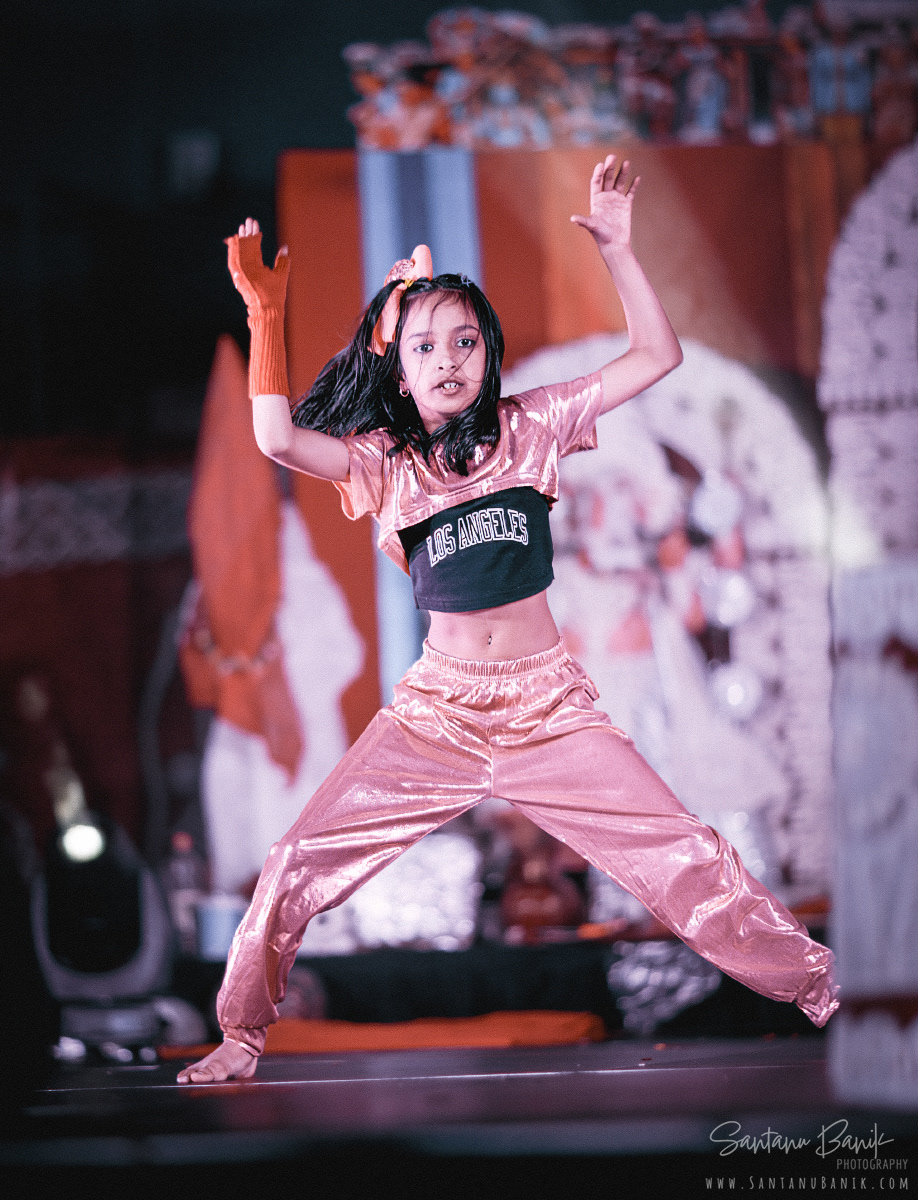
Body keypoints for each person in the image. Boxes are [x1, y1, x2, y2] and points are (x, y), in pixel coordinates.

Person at [178, 156, 838, 1083]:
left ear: (488, 354)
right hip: (438, 715)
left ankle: (832, 994)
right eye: (424, 347)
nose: (447, 360)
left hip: (548, 709)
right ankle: (241, 1035)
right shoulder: (387, 464)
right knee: (296, 860)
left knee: (688, 856)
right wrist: (263, 315)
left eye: (464, 342)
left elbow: (657, 357)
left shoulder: (534, 426)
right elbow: (277, 437)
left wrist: (619, 249)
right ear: (399, 369)